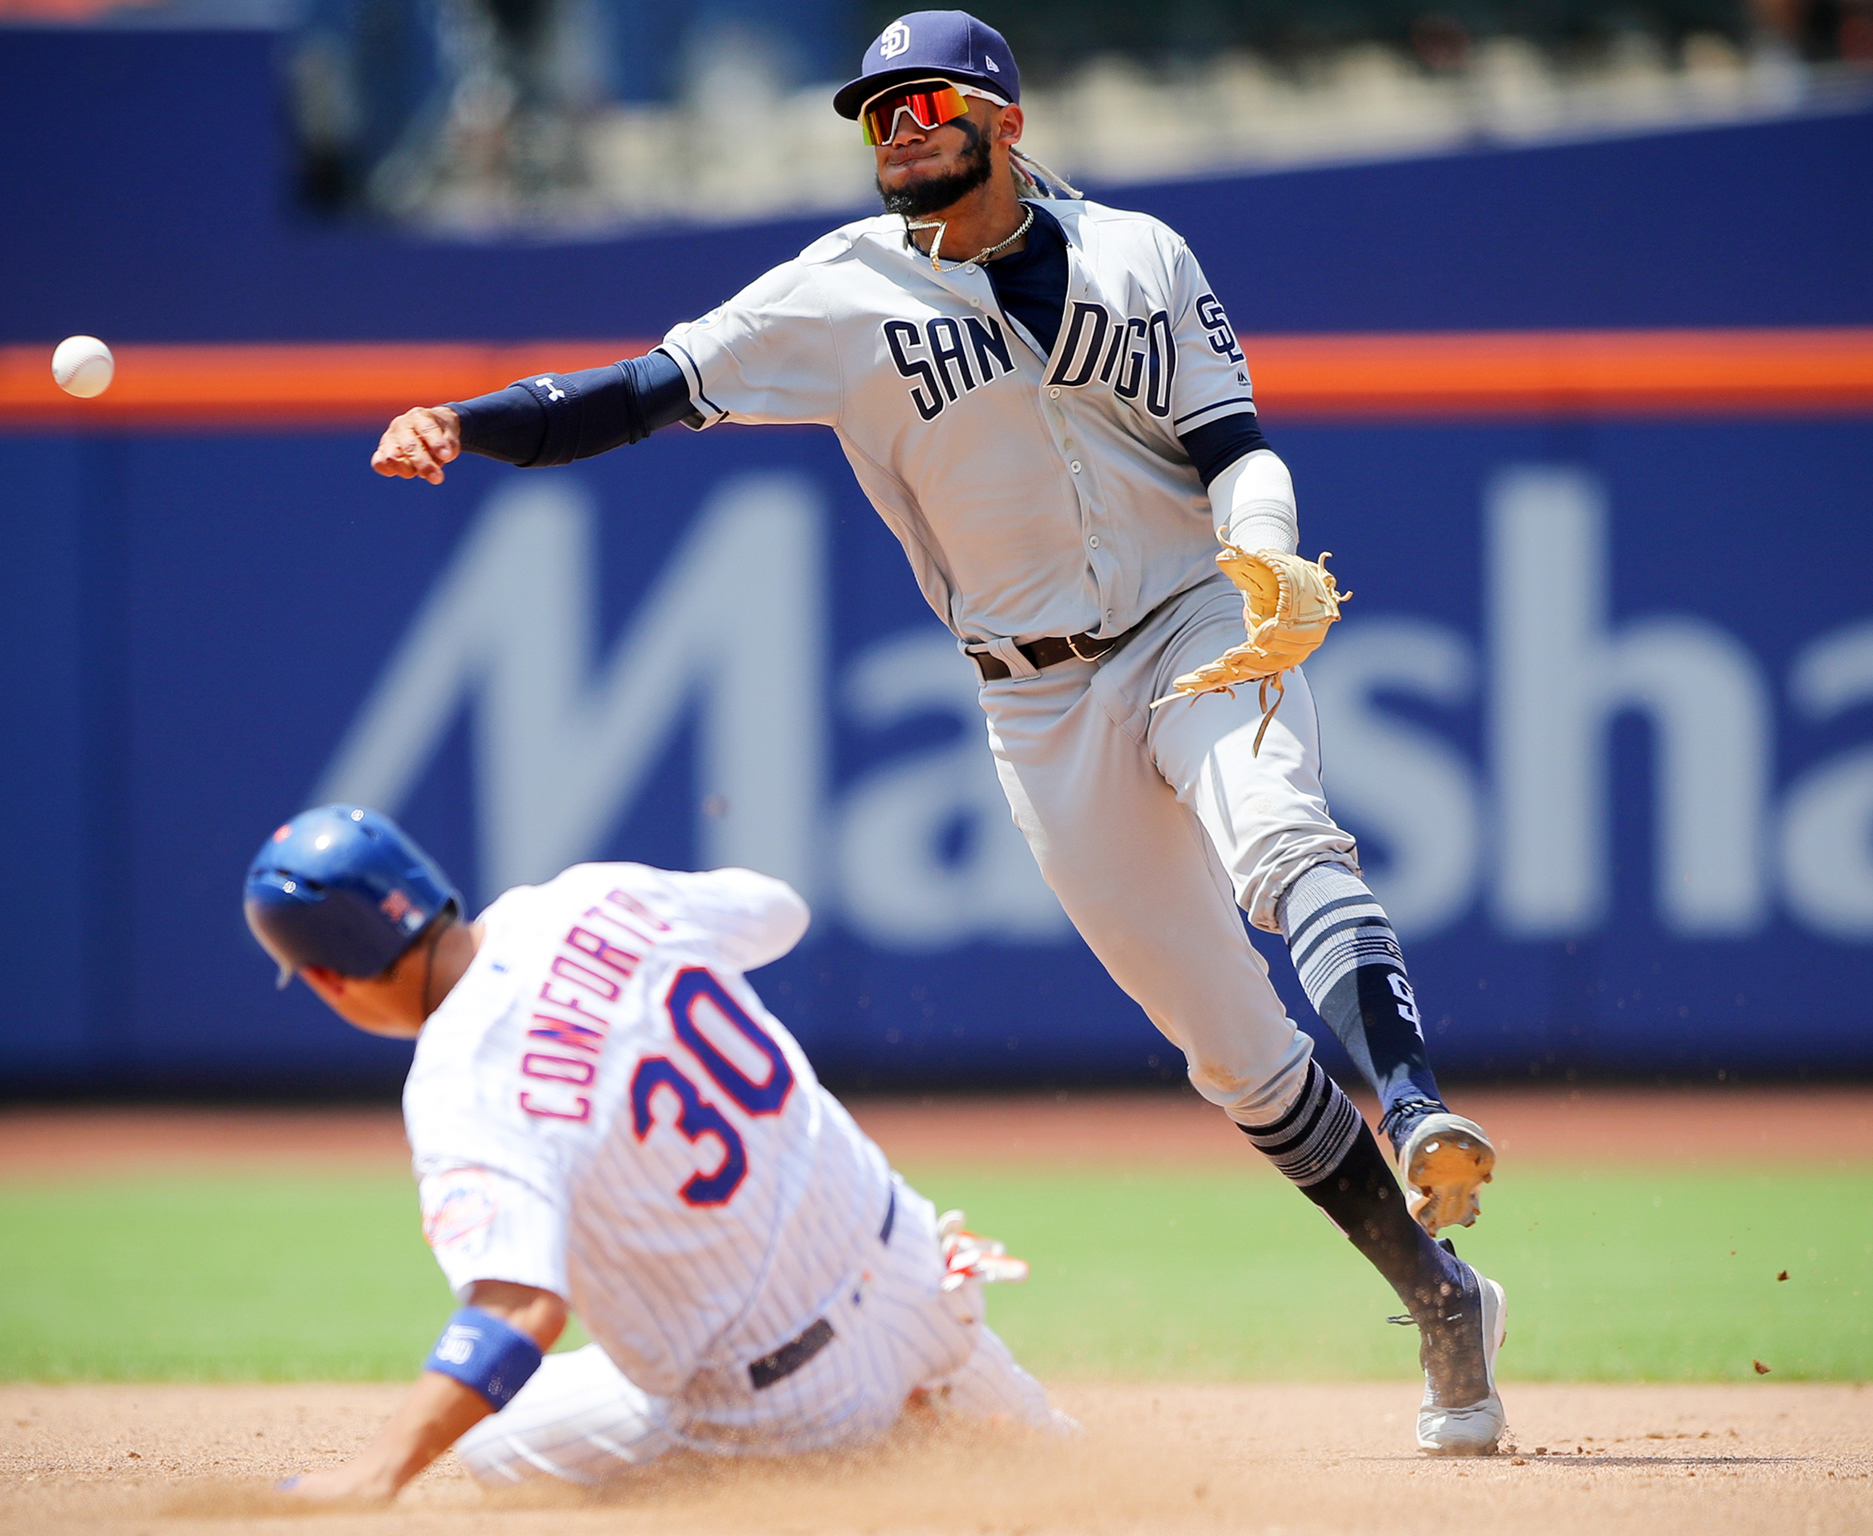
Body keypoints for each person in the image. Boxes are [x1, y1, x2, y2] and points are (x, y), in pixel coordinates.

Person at [368, 10, 1507, 1453]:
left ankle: (1414, 1113)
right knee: (1232, 1052)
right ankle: (1439, 1292)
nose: (897, 124)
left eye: (926, 99)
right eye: (877, 109)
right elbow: (647, 391)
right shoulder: (834, 293)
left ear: (1004, 120)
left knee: (1280, 834)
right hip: (1033, 693)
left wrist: (1268, 555)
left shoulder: (1141, 258)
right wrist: (465, 423)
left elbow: (1236, 448)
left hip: (1196, 620)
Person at [244, 803, 1061, 1502]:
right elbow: (781, 912)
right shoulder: (589, 895)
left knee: (497, 1444)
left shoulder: (458, 1084)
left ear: (328, 980)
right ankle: (956, 1414)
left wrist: (379, 1471)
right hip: (925, 1276)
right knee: (1083, 1482)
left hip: (790, 1405)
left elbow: (519, 1311)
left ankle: (879, 1463)